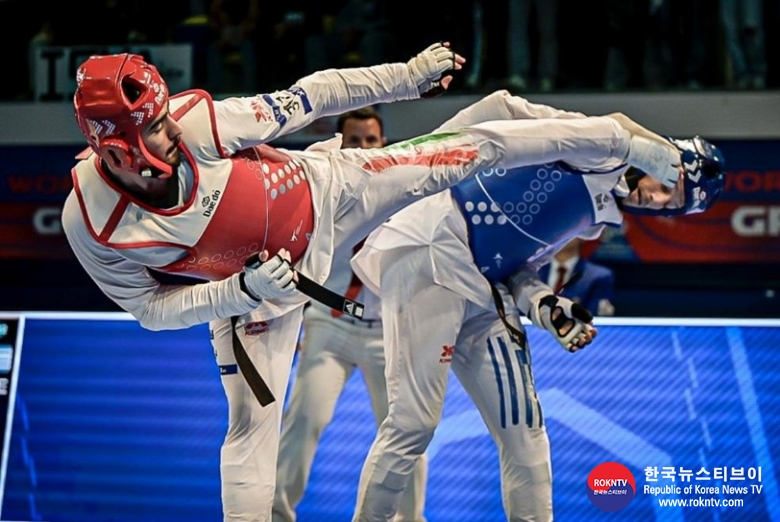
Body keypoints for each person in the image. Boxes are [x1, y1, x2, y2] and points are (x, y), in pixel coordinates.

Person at [61, 46, 680, 521]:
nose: (170, 132)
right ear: (115, 150)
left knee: (474, 147)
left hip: (334, 192)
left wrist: (407, 76)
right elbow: (148, 310)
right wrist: (238, 295)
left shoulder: (201, 123)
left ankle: (620, 138)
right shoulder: (94, 224)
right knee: (254, 426)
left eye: (165, 118)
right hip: (261, 292)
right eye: (152, 130)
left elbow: (311, 96)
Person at [349, 90, 725, 521]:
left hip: (483, 286)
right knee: (413, 426)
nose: (658, 200)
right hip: (432, 250)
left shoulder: (598, 220)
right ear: (661, 161)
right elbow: (509, 107)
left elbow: (518, 270)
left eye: (672, 204)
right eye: (669, 185)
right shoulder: (600, 152)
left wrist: (548, 308)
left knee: (526, 436)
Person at [273, 107, 429, 522]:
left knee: (406, 432)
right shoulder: (318, 192)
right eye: (354, 141)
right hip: (330, 324)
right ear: (339, 145)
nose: (362, 149)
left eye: (370, 140)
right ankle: (275, 515)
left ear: (384, 144)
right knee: (305, 418)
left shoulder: (412, 191)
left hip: (390, 333)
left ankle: (410, 519)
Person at [537, 236, 616, 316]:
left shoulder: (599, 276)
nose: (564, 235)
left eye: (570, 229)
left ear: (583, 236)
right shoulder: (533, 273)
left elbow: (596, 317)